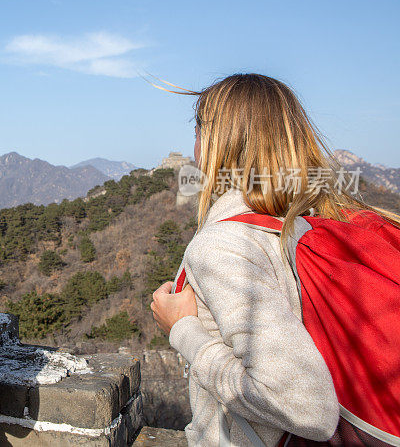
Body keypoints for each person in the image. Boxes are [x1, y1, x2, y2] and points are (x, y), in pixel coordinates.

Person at [149, 74, 400, 446]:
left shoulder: (223, 245)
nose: (194, 144)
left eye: (199, 130)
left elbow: (306, 408)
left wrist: (183, 331)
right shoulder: (304, 223)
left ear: (215, 142)